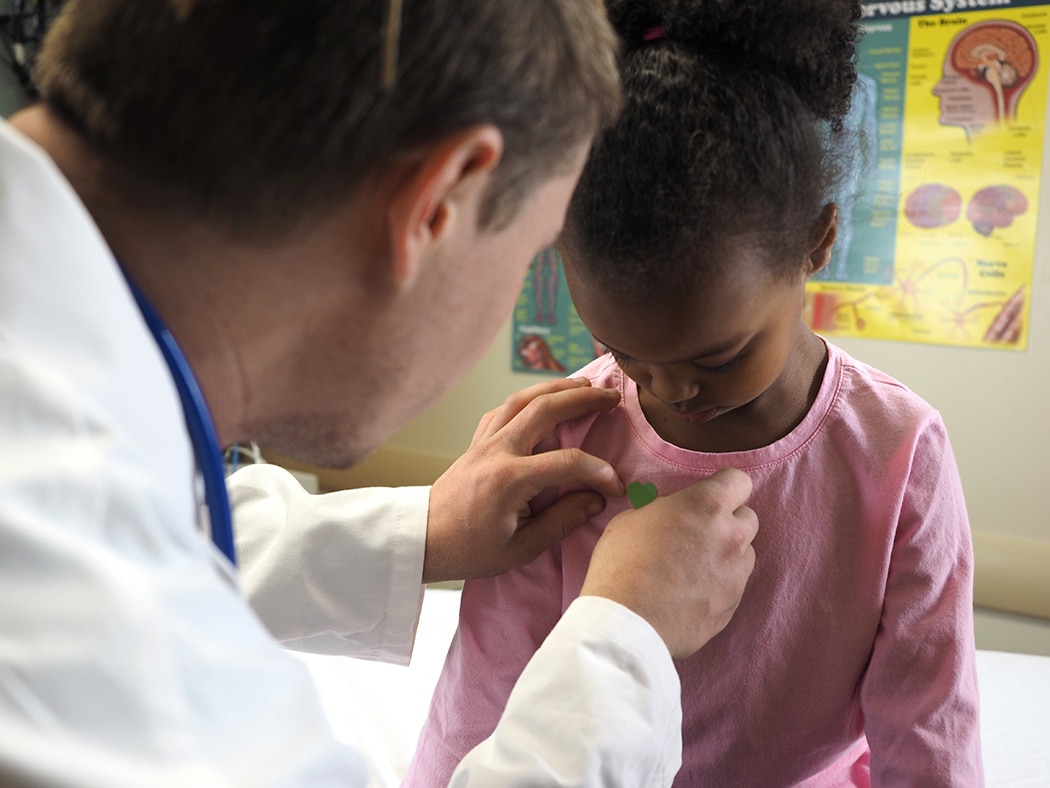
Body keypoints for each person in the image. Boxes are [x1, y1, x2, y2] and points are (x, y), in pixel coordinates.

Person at [0, 1, 761, 785]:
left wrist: (421, 531)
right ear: (437, 203)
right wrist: (623, 643)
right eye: (534, 254)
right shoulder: (71, 600)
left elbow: (177, 528)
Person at [405, 1, 984, 786]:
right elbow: (483, 693)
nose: (669, 389)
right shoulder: (565, 444)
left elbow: (929, 715)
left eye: (720, 355)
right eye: (623, 351)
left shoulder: (898, 449)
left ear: (817, 240)